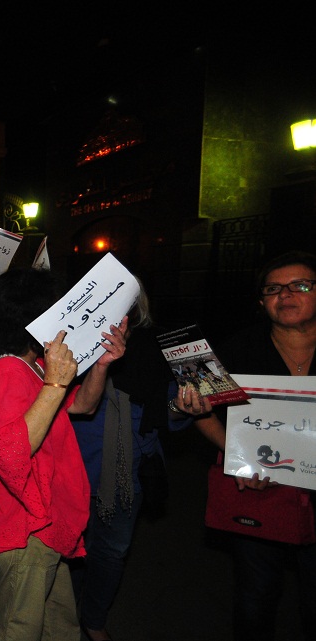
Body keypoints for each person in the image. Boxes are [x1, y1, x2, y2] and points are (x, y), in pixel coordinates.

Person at [0, 267, 127, 641]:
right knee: (17, 629)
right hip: (22, 526)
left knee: (58, 623)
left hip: (42, 520)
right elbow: (9, 454)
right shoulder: (6, 369)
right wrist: (55, 382)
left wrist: (101, 364)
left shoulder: (31, 365)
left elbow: (84, 406)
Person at [69, 279, 204, 641]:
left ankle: (93, 618)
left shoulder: (161, 346)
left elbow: (171, 415)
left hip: (127, 473)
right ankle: (67, 613)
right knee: (71, 548)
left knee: (112, 552)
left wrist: (184, 407)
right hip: (72, 467)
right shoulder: (68, 342)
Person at [194, 250, 316, 641]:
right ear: (262, 302)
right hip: (259, 494)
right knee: (255, 601)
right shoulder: (235, 350)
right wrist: (242, 459)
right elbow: (200, 411)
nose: (286, 295)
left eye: (300, 285)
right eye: (273, 289)